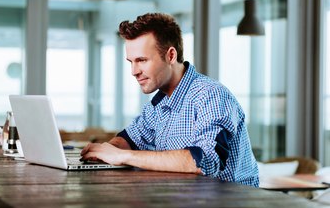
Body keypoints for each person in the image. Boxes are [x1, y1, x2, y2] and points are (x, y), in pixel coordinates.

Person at [81, 12, 259, 187]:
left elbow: (205, 161)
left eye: (142, 60)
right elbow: (129, 139)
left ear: (171, 56)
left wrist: (123, 157)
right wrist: (106, 151)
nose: (134, 71)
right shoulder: (159, 103)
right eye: (131, 62)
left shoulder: (211, 95)